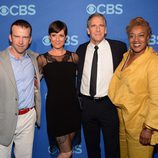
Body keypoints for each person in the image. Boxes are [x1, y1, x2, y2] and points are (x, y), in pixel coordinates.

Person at [76, 13, 127, 158]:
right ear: (88, 30)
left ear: (106, 29)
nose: (97, 29)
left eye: (101, 26)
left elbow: (134, 62)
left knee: (113, 149)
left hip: (109, 105)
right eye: (93, 26)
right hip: (87, 106)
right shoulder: (81, 49)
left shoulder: (119, 47)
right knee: (92, 150)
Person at [108, 17, 158, 158]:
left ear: (148, 37)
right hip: (124, 122)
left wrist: (149, 128)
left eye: (141, 35)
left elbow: (157, 99)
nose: (136, 40)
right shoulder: (127, 56)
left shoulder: (153, 61)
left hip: (142, 126)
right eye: (132, 36)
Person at [37, 20, 81, 158]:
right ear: (49, 37)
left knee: (67, 151)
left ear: (66, 37)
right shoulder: (42, 59)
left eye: (61, 35)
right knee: (67, 152)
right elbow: (34, 82)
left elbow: (82, 80)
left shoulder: (73, 57)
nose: (57, 39)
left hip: (73, 109)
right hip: (55, 110)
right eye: (54, 35)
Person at [0, 19, 41, 158]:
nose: (21, 41)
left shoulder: (35, 59)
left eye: (25, 37)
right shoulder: (0, 59)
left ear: (30, 40)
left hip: (28, 117)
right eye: (17, 36)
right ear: (10, 37)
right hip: (3, 118)